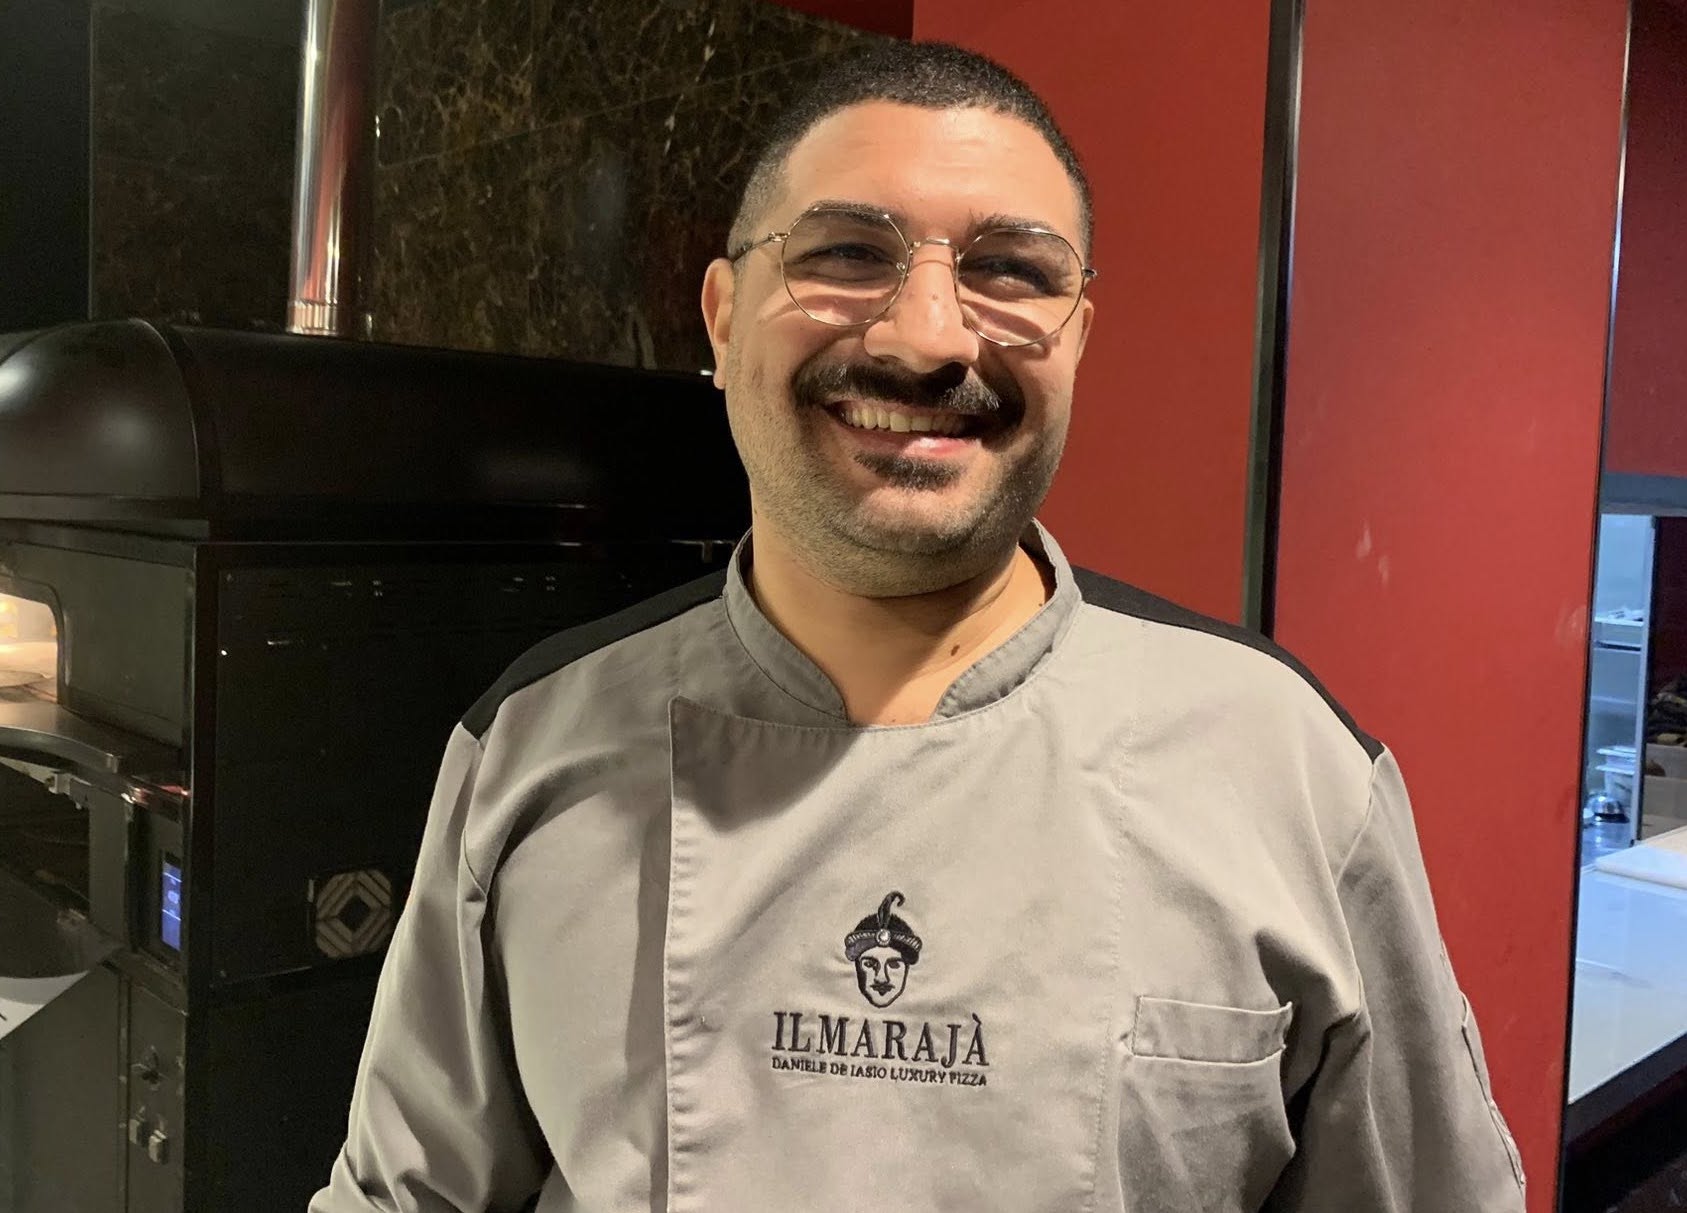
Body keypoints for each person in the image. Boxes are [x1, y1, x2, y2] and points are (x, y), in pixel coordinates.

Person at [312, 40, 1527, 1213]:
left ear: (1078, 338)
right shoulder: (536, 747)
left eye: (1012, 272)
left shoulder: (1288, 769)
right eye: (847, 253)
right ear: (723, 316)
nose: (928, 337)